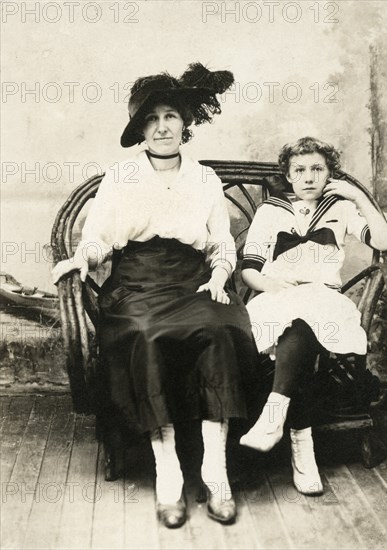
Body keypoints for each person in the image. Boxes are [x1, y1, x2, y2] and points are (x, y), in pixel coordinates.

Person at [52, 63, 259, 528]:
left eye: (170, 116)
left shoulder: (204, 178)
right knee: (145, 335)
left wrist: (220, 274)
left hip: (193, 280)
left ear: (186, 124)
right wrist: (81, 259)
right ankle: (168, 473)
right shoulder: (121, 175)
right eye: (152, 119)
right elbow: (100, 237)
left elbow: (220, 241)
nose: (163, 126)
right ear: (141, 130)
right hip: (136, 282)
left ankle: (215, 472)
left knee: (219, 328)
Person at [239, 136, 387, 495]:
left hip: (325, 300)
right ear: (288, 176)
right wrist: (273, 283)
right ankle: (301, 448)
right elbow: (249, 269)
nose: (308, 177)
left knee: (308, 317)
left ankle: (275, 417)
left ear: (329, 174)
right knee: (295, 325)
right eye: (299, 170)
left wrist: (359, 197)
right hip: (278, 296)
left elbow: (384, 242)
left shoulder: (341, 207)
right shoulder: (271, 210)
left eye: (317, 169)